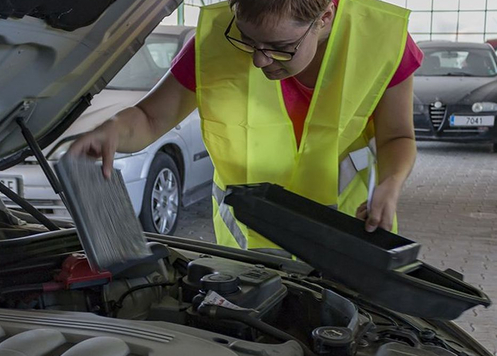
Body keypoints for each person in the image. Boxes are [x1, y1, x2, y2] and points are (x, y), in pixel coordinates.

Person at [67, 0, 424, 253]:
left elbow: (397, 136)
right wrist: (112, 129)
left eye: (281, 47)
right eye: (247, 40)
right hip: (250, 251)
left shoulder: (380, 40)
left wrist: (390, 186)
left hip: (349, 242)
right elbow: (149, 118)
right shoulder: (212, 43)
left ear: (324, 17)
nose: (259, 59)